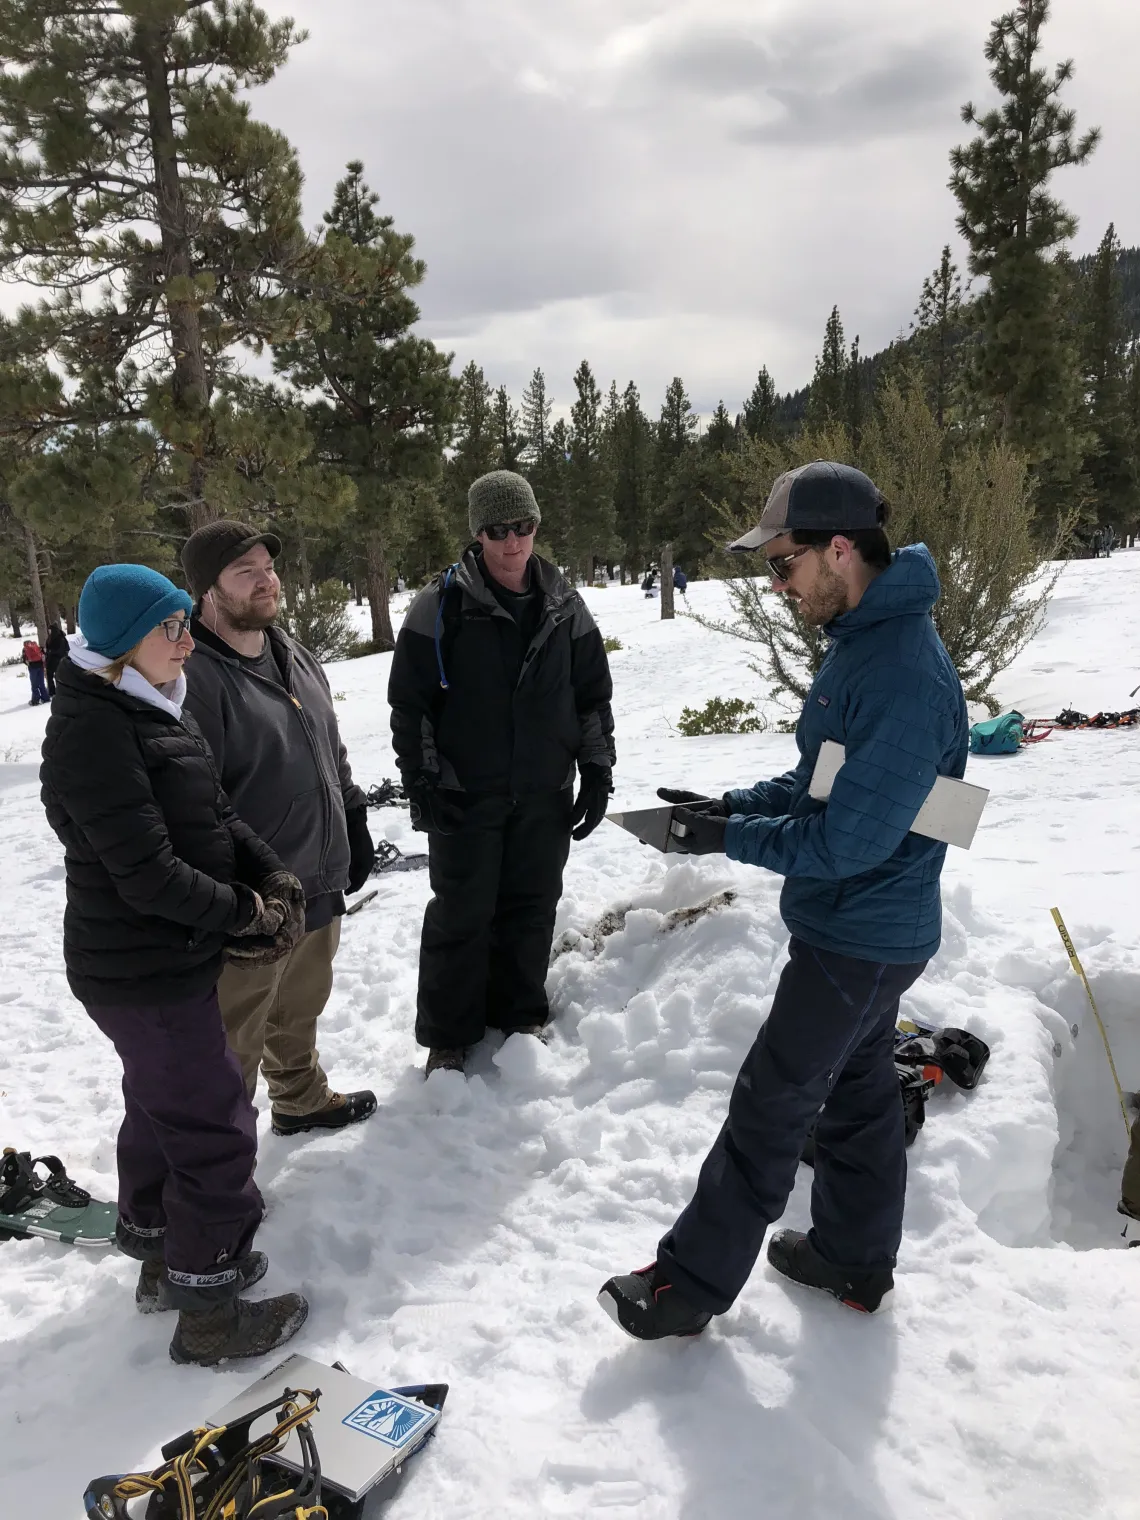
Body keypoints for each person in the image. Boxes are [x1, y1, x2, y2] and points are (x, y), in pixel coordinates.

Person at [599, 461, 968, 1338]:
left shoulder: (902, 672)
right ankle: (851, 1256)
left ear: (839, 549)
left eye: (783, 564)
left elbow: (845, 841)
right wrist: (729, 807)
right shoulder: (865, 645)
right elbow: (822, 785)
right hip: (868, 928)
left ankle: (688, 1286)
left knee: (774, 1101)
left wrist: (725, 839)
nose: (776, 586)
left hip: (862, 932)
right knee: (858, 1094)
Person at [40, 563, 309, 1366]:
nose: (188, 640)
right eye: (171, 628)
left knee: (162, 1112)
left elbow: (215, 813)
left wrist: (270, 873)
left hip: (161, 964)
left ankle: (165, 1260)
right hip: (141, 973)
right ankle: (210, 1310)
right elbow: (148, 873)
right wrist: (243, 914)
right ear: (125, 642)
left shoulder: (151, 704)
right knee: (213, 1130)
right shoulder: (94, 731)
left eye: (185, 623)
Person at [388, 470, 616, 1077]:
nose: (513, 541)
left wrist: (596, 768)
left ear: (537, 525)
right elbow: (411, 705)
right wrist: (422, 779)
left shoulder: (566, 603)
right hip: (468, 791)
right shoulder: (441, 607)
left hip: (544, 788)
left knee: (533, 905)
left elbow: (591, 694)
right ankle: (449, 1034)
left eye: (524, 527)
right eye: (498, 530)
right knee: (462, 912)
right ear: (478, 533)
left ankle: (519, 1015)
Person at [180, 522, 377, 1138]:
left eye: (268, 566)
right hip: (255, 901)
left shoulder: (287, 647)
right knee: (232, 1041)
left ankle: (299, 1097)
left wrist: (352, 810)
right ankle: (222, 1169)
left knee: (300, 1007)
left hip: (316, 878)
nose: (267, 580)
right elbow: (194, 801)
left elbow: (327, 740)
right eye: (246, 572)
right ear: (208, 591)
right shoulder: (194, 677)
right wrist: (237, 894)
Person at [22, 635, 49, 705]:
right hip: (40, 666)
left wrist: (28, 663)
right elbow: (43, 656)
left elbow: (24, 660)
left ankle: (35, 700)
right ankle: (45, 698)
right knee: (41, 683)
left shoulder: (25, 649)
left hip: (32, 667)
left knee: (34, 684)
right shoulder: (37, 647)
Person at [44, 622, 68, 697]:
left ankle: (60, 691)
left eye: (50, 630)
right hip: (51, 660)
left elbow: (61, 649)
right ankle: (52, 691)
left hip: (58, 660)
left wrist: (50, 651)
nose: (49, 631)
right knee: (49, 676)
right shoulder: (50, 637)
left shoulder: (60, 638)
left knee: (59, 676)